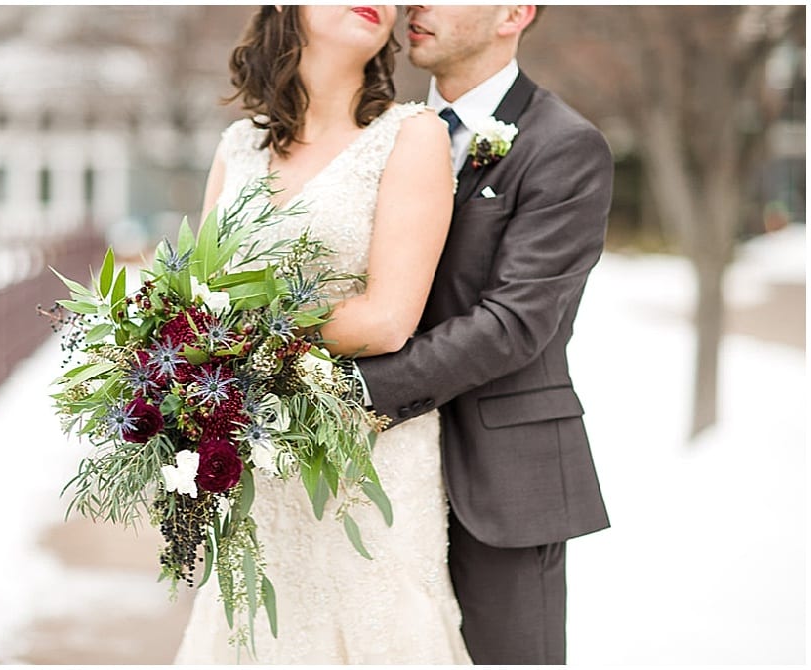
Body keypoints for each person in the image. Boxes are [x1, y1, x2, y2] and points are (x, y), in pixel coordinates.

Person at [173, 5, 470, 664]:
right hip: (255, 459)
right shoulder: (238, 145)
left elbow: (389, 318)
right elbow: (195, 305)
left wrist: (239, 336)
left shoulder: (411, 135)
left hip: (365, 459)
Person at [355, 5, 614, 665]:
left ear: (514, 12)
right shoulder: (379, 135)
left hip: (503, 481)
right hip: (372, 477)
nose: (415, 6)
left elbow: (516, 322)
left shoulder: (563, 144)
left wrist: (356, 389)